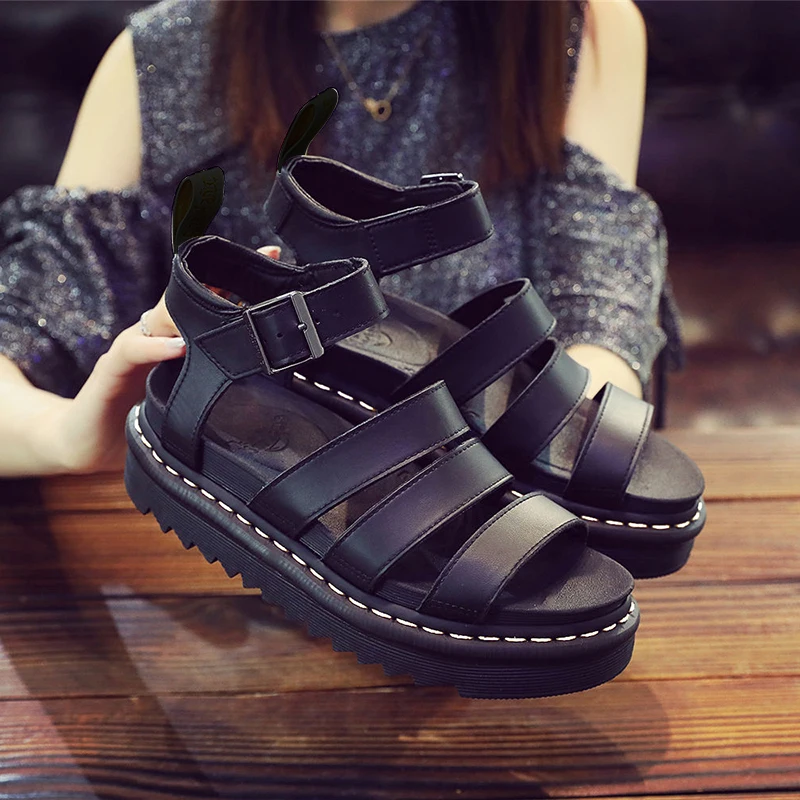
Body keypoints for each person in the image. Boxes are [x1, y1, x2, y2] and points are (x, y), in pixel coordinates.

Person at [0, 0, 670, 478]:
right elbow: (22, 332)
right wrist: (63, 436)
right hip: (267, 521)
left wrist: (560, 451)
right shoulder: (162, 55)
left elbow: (600, 310)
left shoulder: (576, 24)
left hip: (497, 504)